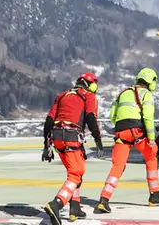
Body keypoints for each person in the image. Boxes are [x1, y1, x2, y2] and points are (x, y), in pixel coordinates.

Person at [94, 68, 159, 213]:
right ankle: (154, 195)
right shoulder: (146, 94)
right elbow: (148, 117)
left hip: (121, 133)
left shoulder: (123, 93)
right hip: (136, 132)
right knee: (151, 156)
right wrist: (152, 139)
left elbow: (112, 115)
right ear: (151, 81)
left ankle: (104, 199)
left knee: (118, 166)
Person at [42, 73, 104, 225]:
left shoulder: (62, 95)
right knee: (76, 174)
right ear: (91, 85)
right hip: (71, 136)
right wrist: (98, 138)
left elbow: (49, 120)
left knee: (75, 170)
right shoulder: (88, 96)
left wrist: (46, 144)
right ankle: (57, 203)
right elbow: (90, 117)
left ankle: (74, 207)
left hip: (57, 138)